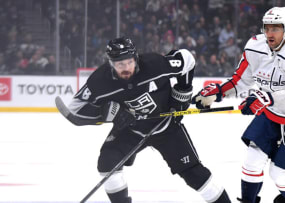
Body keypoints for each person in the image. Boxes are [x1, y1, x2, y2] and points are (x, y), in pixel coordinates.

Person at [64, 37, 231, 203]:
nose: (126, 68)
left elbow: (187, 58)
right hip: (131, 129)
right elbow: (75, 109)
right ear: (111, 63)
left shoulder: (155, 65)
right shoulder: (100, 80)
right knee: (107, 162)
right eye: (120, 64)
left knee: (194, 174)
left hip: (167, 127)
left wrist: (182, 92)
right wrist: (107, 113)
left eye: (129, 62)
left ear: (135, 58)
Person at [192, 7, 285, 203]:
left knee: (279, 174)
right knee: (252, 161)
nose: (269, 34)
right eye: (266, 28)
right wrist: (219, 91)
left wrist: (266, 98)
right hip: (272, 112)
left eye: (275, 28)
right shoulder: (254, 46)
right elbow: (241, 80)